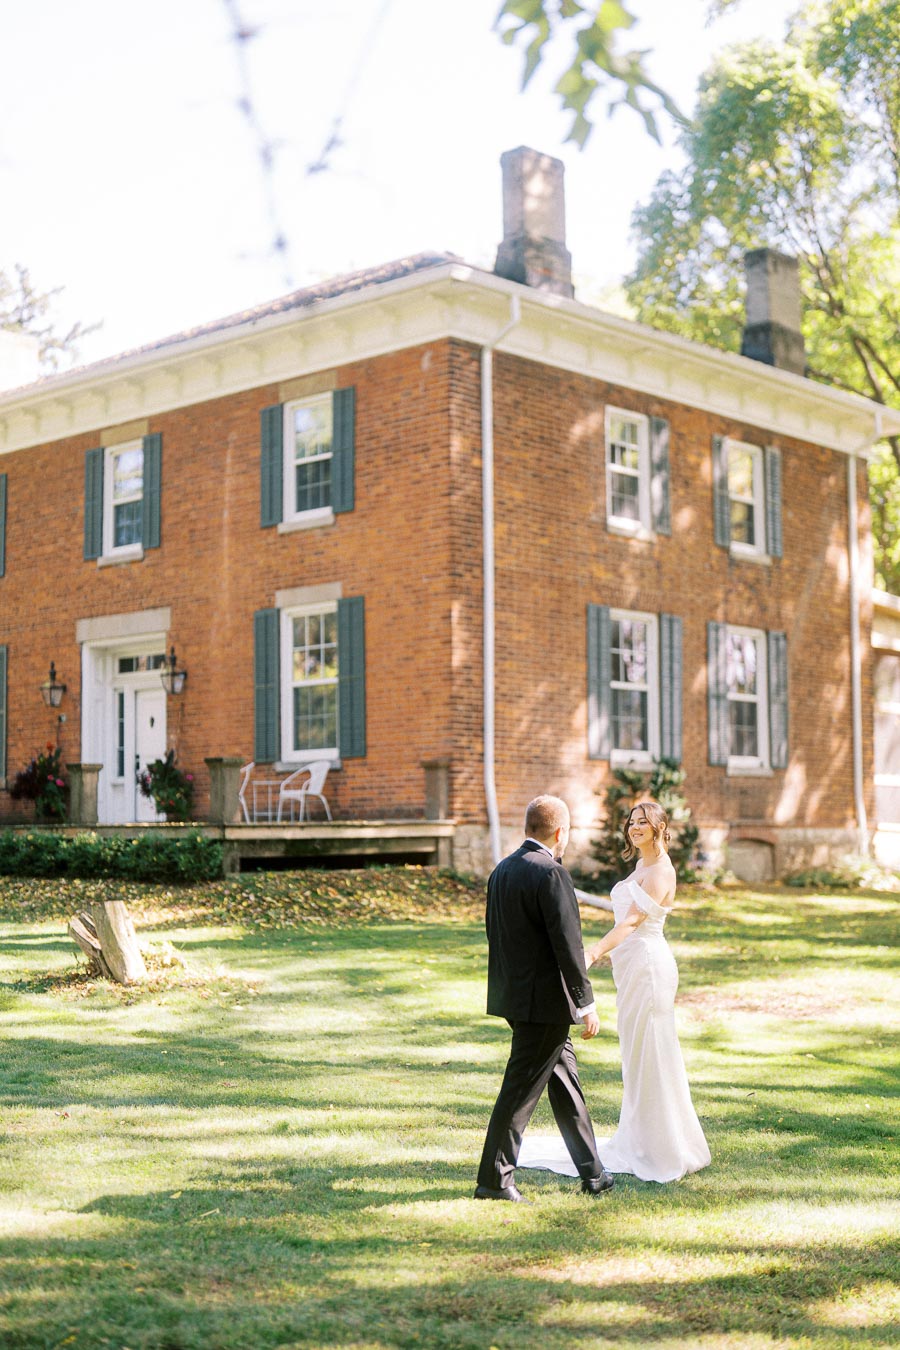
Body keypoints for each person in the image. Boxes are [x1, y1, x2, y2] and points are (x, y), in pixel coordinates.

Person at [474, 794, 614, 1202]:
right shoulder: (551, 873)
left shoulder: (501, 870)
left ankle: (593, 1173)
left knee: (565, 1081)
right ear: (560, 833)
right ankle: (494, 1181)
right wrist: (586, 1003)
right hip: (544, 1004)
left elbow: (493, 933)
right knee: (519, 1089)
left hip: (514, 998)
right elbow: (568, 946)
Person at [579, 799, 710, 1182]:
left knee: (652, 1053)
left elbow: (632, 923)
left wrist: (593, 951)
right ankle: (640, 1138)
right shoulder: (641, 865)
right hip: (632, 968)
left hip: (650, 968)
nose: (634, 828)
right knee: (635, 1056)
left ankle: (663, 1147)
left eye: (642, 823)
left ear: (659, 828)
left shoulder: (660, 872)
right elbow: (623, 912)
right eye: (631, 822)